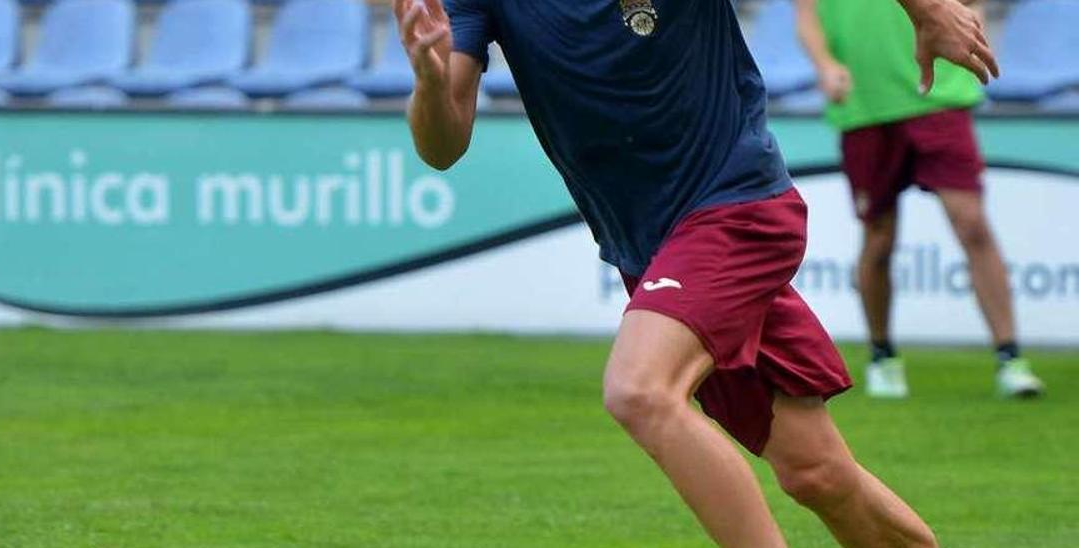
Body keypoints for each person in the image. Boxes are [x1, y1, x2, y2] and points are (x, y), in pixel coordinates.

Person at [395, 0, 996, 544]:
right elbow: (443, 146)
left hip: (736, 209)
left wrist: (928, 9)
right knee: (816, 472)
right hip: (654, 252)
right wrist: (428, 80)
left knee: (639, 390)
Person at [795, 0, 1044, 399]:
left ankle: (1010, 358)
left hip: (940, 94)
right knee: (879, 238)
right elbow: (806, 14)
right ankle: (883, 355)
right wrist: (825, 65)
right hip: (866, 103)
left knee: (972, 223)